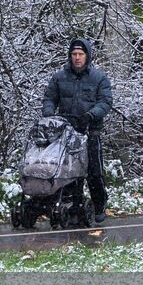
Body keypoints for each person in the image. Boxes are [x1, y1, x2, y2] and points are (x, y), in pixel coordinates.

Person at [41, 38, 113, 223]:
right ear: (70, 56)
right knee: (65, 170)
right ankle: (69, 203)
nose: (77, 58)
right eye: (74, 54)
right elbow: (49, 98)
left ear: (87, 56)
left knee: (94, 172)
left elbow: (105, 102)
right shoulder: (59, 77)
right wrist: (49, 114)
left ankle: (99, 205)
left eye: (81, 54)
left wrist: (91, 115)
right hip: (65, 133)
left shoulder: (99, 78)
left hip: (90, 131)